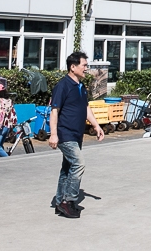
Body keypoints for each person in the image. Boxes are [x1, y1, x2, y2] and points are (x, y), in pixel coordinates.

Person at [49, 51, 105, 219]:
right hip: (65, 133)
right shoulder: (62, 86)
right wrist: (53, 134)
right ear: (73, 67)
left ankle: (60, 202)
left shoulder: (81, 86)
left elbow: (85, 108)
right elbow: (54, 111)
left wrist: (96, 126)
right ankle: (69, 200)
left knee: (67, 169)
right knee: (79, 164)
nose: (86, 68)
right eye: (84, 65)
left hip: (77, 133)